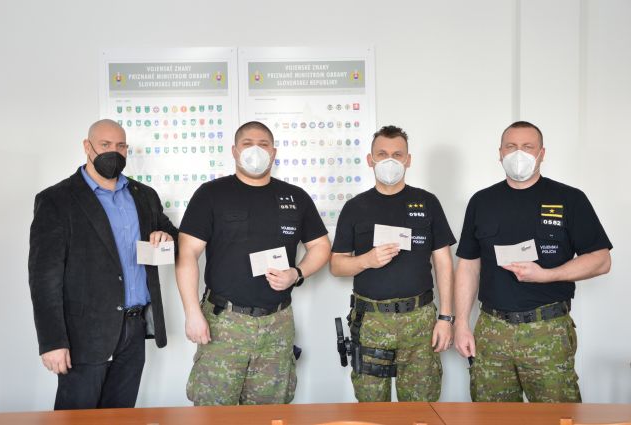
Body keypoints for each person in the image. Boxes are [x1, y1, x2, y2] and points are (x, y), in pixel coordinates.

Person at [454, 121, 612, 402]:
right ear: (500, 153)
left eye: (528, 147)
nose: (519, 153)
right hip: (492, 330)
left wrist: (546, 275)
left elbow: (601, 260)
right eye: (511, 146)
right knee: (492, 419)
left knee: (557, 416)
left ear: (542, 153)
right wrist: (461, 323)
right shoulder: (482, 201)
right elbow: (468, 265)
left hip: (547, 330)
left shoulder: (570, 199)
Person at [176, 121, 331, 405]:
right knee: (213, 413)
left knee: (270, 414)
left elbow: (321, 246)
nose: (255, 150)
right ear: (234, 151)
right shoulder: (211, 194)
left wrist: (297, 273)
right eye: (247, 144)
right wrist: (191, 313)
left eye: (263, 144)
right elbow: (187, 254)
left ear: (274, 152)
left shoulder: (295, 197)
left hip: (277, 324)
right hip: (224, 322)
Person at [28, 119, 178, 410]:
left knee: (121, 416)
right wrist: (52, 342)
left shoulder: (144, 196)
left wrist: (166, 237)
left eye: (120, 146)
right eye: (105, 145)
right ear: (88, 147)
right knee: (75, 418)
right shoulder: (56, 200)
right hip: (83, 335)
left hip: (134, 330)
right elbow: (43, 279)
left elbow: (175, 240)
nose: (114, 152)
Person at [330, 125, 456, 402]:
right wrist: (367, 260)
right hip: (371, 321)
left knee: (421, 409)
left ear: (408, 160)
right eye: (382, 154)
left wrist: (446, 318)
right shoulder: (355, 207)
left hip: (420, 320)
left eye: (397, 154)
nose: (390, 160)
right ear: (370, 159)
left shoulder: (427, 202)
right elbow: (337, 265)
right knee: (372, 409)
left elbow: (444, 262)